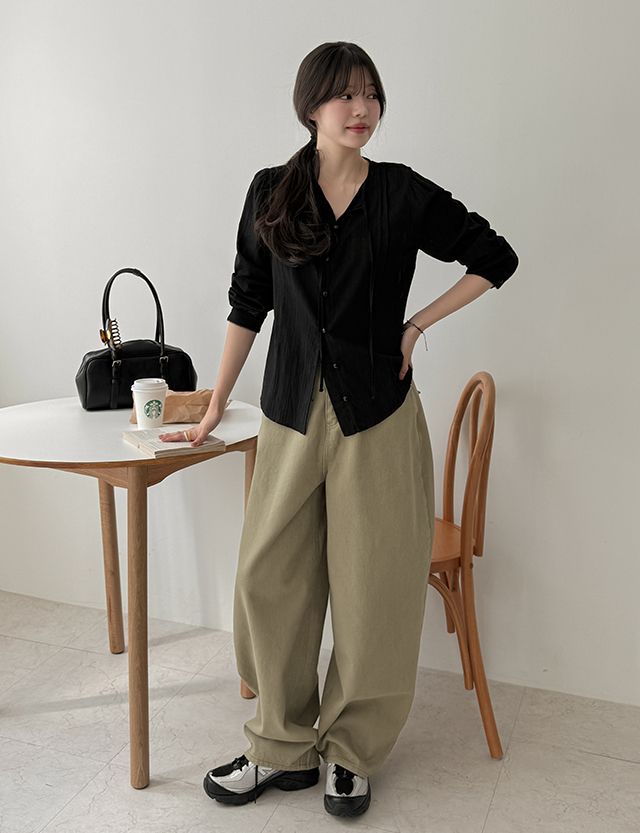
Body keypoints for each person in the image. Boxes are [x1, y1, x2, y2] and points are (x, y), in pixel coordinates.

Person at [160, 41, 518, 818]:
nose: (361, 109)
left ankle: (352, 752)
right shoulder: (272, 191)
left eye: (370, 94)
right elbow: (248, 299)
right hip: (290, 412)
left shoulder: (402, 193)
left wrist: (417, 324)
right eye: (344, 95)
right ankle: (280, 745)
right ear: (311, 106)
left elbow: (496, 256)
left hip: (378, 417)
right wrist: (216, 402)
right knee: (268, 576)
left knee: (374, 589)